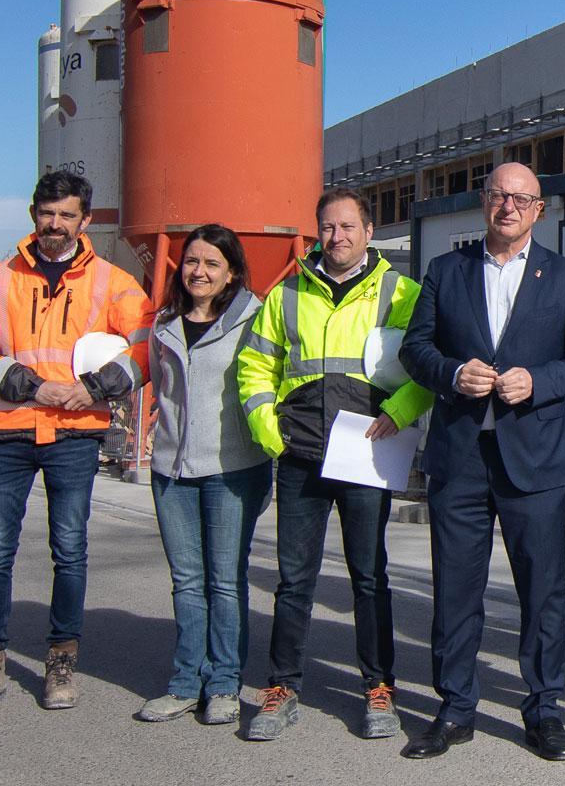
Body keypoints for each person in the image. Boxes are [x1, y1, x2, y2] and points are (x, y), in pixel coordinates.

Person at [398, 163, 565, 761]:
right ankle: (456, 707)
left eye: (521, 198)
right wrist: (454, 373)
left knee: (542, 592)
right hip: (459, 458)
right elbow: (416, 348)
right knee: (456, 589)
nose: (508, 206)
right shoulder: (446, 270)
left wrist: (537, 382)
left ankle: (543, 708)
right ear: (483, 204)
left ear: (539, 210)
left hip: (532, 461)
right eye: (498, 195)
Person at [0, 171, 154, 715]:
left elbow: (145, 349)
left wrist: (91, 388)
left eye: (66, 215)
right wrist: (34, 386)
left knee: (70, 551)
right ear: (33, 214)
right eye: (47, 213)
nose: (55, 224)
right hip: (9, 430)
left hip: (73, 434)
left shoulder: (112, 282)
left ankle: (61, 661)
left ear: (85, 220)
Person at [236, 187, 435, 742]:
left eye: (348, 227)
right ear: (316, 231)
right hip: (299, 454)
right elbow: (255, 365)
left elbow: (429, 365)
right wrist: (268, 430)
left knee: (369, 578)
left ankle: (379, 686)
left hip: (367, 453)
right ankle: (282, 686)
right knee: (294, 579)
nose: (337, 237)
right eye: (327, 227)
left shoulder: (402, 292)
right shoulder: (288, 293)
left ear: (369, 232)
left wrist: (400, 410)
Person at [135, 225, 270, 727]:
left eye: (212, 263)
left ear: (231, 271)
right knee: (187, 582)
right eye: (192, 261)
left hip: (232, 468)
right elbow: (159, 389)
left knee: (226, 581)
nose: (200, 271)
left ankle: (225, 683)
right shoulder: (165, 323)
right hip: (172, 470)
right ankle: (185, 682)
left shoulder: (253, 318)